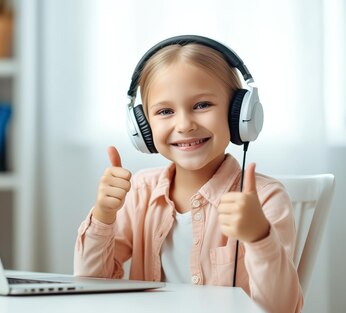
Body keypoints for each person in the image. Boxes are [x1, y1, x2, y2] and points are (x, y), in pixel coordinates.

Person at [73, 36, 303, 313]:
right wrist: (103, 216)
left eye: (202, 105)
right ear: (142, 127)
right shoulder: (139, 192)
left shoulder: (266, 199)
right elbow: (90, 288)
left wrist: (259, 237)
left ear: (239, 114)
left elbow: (280, 309)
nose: (184, 125)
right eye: (165, 111)